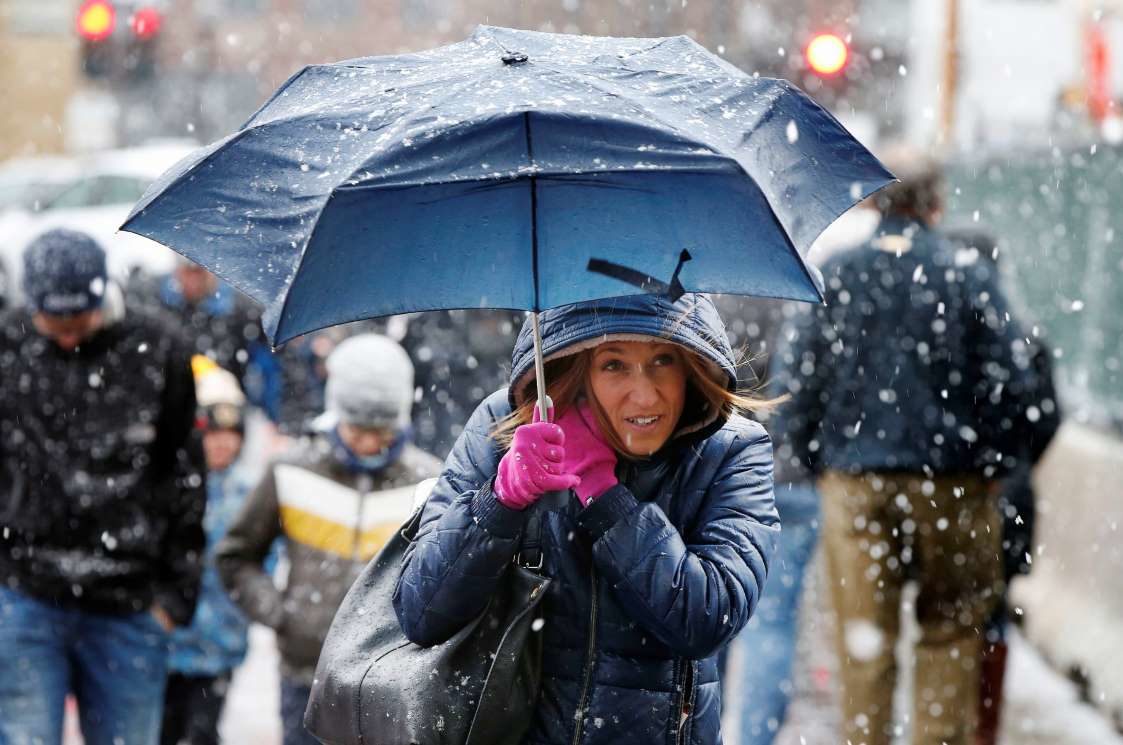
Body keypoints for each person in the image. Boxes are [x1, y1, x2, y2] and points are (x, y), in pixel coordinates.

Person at [393, 293, 779, 745]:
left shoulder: (732, 451)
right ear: (576, 369)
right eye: (614, 365)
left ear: (692, 366)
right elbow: (421, 613)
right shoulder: (507, 424)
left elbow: (706, 617)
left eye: (663, 361)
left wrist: (605, 495)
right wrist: (499, 503)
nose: (645, 393)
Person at [775, 153, 1041, 745]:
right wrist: (994, 462)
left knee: (864, 639)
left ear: (873, 201)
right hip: (954, 484)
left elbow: (796, 380)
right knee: (951, 629)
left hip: (855, 485)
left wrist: (819, 459)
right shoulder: (964, 272)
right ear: (935, 204)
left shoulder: (836, 273)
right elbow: (1014, 380)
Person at [0, 229, 206, 745]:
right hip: (24, 592)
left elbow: (183, 473)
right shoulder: (8, 346)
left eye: (78, 322)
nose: (67, 336)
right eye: (53, 323)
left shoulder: (159, 348)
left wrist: (175, 596)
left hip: (130, 602)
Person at [217, 333, 442, 745]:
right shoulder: (290, 470)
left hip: (390, 683)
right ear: (335, 411)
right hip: (306, 676)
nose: (370, 442)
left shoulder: (429, 485)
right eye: (358, 428)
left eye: (382, 430)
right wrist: (281, 614)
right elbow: (236, 556)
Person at [943, 228, 1061, 745]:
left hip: (951, 490)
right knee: (993, 613)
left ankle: (946, 715)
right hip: (1009, 492)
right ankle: (983, 727)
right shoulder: (1025, 331)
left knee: (944, 612)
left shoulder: (946, 331)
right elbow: (1049, 416)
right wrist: (1013, 463)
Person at [161, 358, 257, 745]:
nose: (221, 443)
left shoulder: (249, 493)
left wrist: (242, 603)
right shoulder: (170, 484)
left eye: (231, 433)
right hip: (166, 643)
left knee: (202, 733)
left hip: (218, 644)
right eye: (211, 432)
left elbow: (260, 558)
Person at [130, 258, 282, 424]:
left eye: (200, 273)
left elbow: (272, 371)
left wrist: (276, 418)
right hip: (166, 414)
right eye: (188, 271)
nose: (194, 281)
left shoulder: (243, 314)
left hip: (226, 418)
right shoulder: (150, 304)